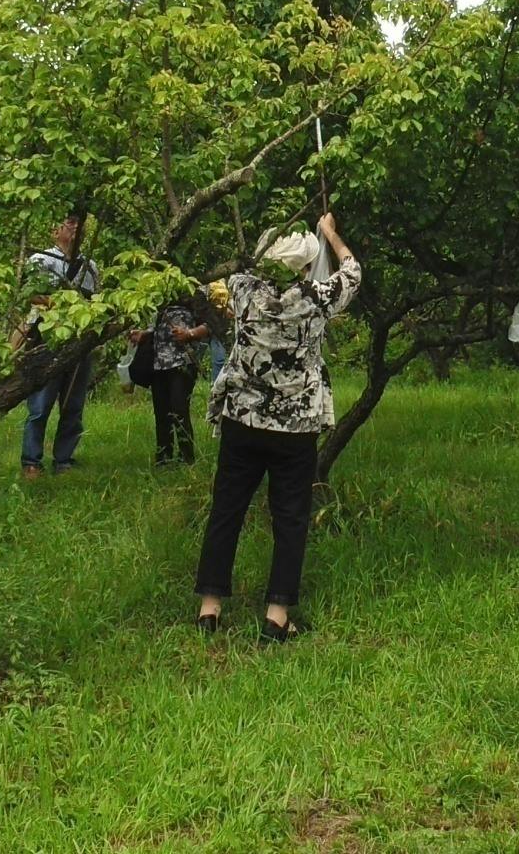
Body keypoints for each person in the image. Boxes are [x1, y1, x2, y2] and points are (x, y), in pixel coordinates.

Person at [193, 213, 360, 642]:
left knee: (227, 509)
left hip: (242, 420)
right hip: (295, 428)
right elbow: (353, 272)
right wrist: (330, 234)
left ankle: (209, 609)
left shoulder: (246, 290)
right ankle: (276, 616)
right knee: (289, 518)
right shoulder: (316, 297)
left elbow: (230, 274)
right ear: (307, 264)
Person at [19, 212, 100, 480]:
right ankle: (31, 461)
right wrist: (64, 305)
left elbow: (96, 300)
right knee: (40, 405)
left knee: (73, 405)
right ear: (56, 230)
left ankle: (64, 460)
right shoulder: (40, 260)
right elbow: (31, 295)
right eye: (70, 223)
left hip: (79, 342)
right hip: (47, 340)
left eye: (80, 224)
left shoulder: (90, 266)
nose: (76, 228)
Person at [131, 294, 210, 467]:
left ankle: (186, 458)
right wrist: (143, 335)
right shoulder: (159, 293)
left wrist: (190, 333)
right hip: (159, 363)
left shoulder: (194, 291)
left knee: (179, 410)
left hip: (183, 363)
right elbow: (157, 328)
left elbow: (211, 325)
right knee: (161, 412)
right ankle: (163, 457)